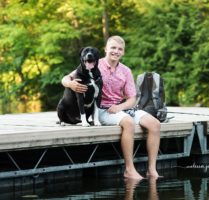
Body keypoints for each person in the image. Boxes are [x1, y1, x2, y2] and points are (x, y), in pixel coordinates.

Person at [61, 35, 161, 180]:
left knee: (155, 124)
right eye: (113, 48)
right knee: (128, 123)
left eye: (120, 49)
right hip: (101, 109)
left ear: (123, 52)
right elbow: (66, 78)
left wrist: (120, 107)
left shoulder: (126, 71)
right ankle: (129, 169)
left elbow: (132, 99)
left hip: (121, 107)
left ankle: (152, 169)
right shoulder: (93, 63)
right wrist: (70, 84)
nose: (116, 51)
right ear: (106, 49)